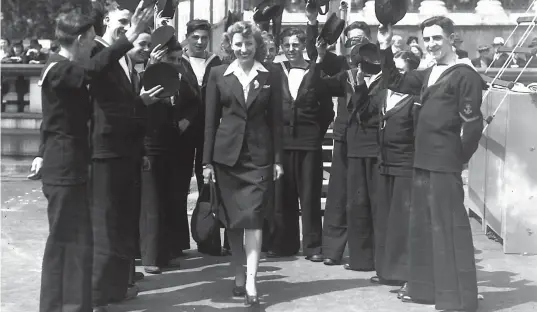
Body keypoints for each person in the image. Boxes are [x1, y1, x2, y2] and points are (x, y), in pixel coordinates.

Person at [32, 4, 159, 312]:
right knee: (65, 245)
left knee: (72, 245)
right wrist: (127, 38)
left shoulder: (62, 68)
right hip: (65, 170)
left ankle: (70, 305)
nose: (93, 43)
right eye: (91, 38)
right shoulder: (60, 68)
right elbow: (92, 70)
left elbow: (48, 123)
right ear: (79, 39)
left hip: (70, 168)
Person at [377, 17, 484, 311]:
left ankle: (456, 299)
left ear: (452, 39)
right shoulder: (429, 73)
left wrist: (457, 159)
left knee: (448, 229)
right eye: (427, 39)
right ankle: (424, 290)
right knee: (423, 229)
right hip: (422, 162)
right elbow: (394, 81)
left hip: (444, 164)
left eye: (437, 38)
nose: (432, 44)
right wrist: (386, 44)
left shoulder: (465, 75)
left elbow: (472, 126)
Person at [202, 21, 284, 305]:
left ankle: (251, 282)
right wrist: (206, 163)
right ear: (229, 45)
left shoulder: (272, 73)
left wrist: (277, 160)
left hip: (259, 159)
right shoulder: (217, 74)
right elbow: (210, 123)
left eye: (248, 44)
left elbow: (277, 122)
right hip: (227, 159)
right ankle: (238, 273)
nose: (244, 49)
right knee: (234, 222)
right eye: (238, 44)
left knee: (254, 219)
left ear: (256, 45)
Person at [89, 3, 157, 310]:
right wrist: (128, 38)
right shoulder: (95, 50)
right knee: (105, 226)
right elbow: (93, 71)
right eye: (122, 22)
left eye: (131, 23)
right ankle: (97, 293)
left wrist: (139, 101)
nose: (127, 27)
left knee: (122, 223)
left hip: (125, 150)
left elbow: (124, 104)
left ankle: (116, 287)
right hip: (104, 150)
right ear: (105, 20)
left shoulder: (123, 60)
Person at [139, 39, 193, 274]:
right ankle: (150, 257)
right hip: (150, 145)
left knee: (167, 201)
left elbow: (194, 101)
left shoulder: (181, 79)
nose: (176, 63)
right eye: (171, 59)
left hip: (171, 144)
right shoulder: (148, 77)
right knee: (151, 203)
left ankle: (164, 253)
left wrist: (185, 120)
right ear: (159, 57)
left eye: (179, 59)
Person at [370, 51, 421, 293]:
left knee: (401, 222)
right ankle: (385, 270)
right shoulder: (384, 95)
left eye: (400, 71)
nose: (395, 76)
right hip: (384, 163)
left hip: (404, 165)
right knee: (384, 219)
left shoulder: (415, 98)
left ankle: (402, 272)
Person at [181, 19, 229, 256]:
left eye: (204, 38)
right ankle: (177, 242)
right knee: (178, 184)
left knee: (208, 184)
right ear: (187, 37)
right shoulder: (177, 61)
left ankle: (208, 240)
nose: (200, 42)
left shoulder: (216, 62)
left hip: (209, 131)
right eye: (195, 37)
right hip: (180, 131)